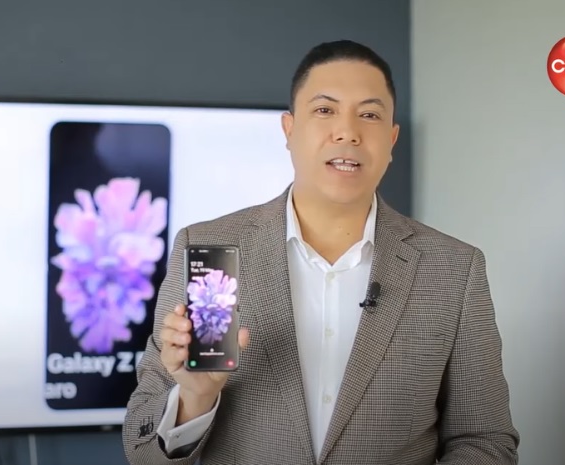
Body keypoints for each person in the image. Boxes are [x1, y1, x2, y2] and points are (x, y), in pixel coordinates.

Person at [122, 39, 520, 465]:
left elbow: (485, 441)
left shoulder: (454, 269)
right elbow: (142, 452)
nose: (348, 132)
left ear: (391, 139)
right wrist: (195, 398)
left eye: (369, 114)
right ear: (289, 130)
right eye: (325, 110)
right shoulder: (210, 250)